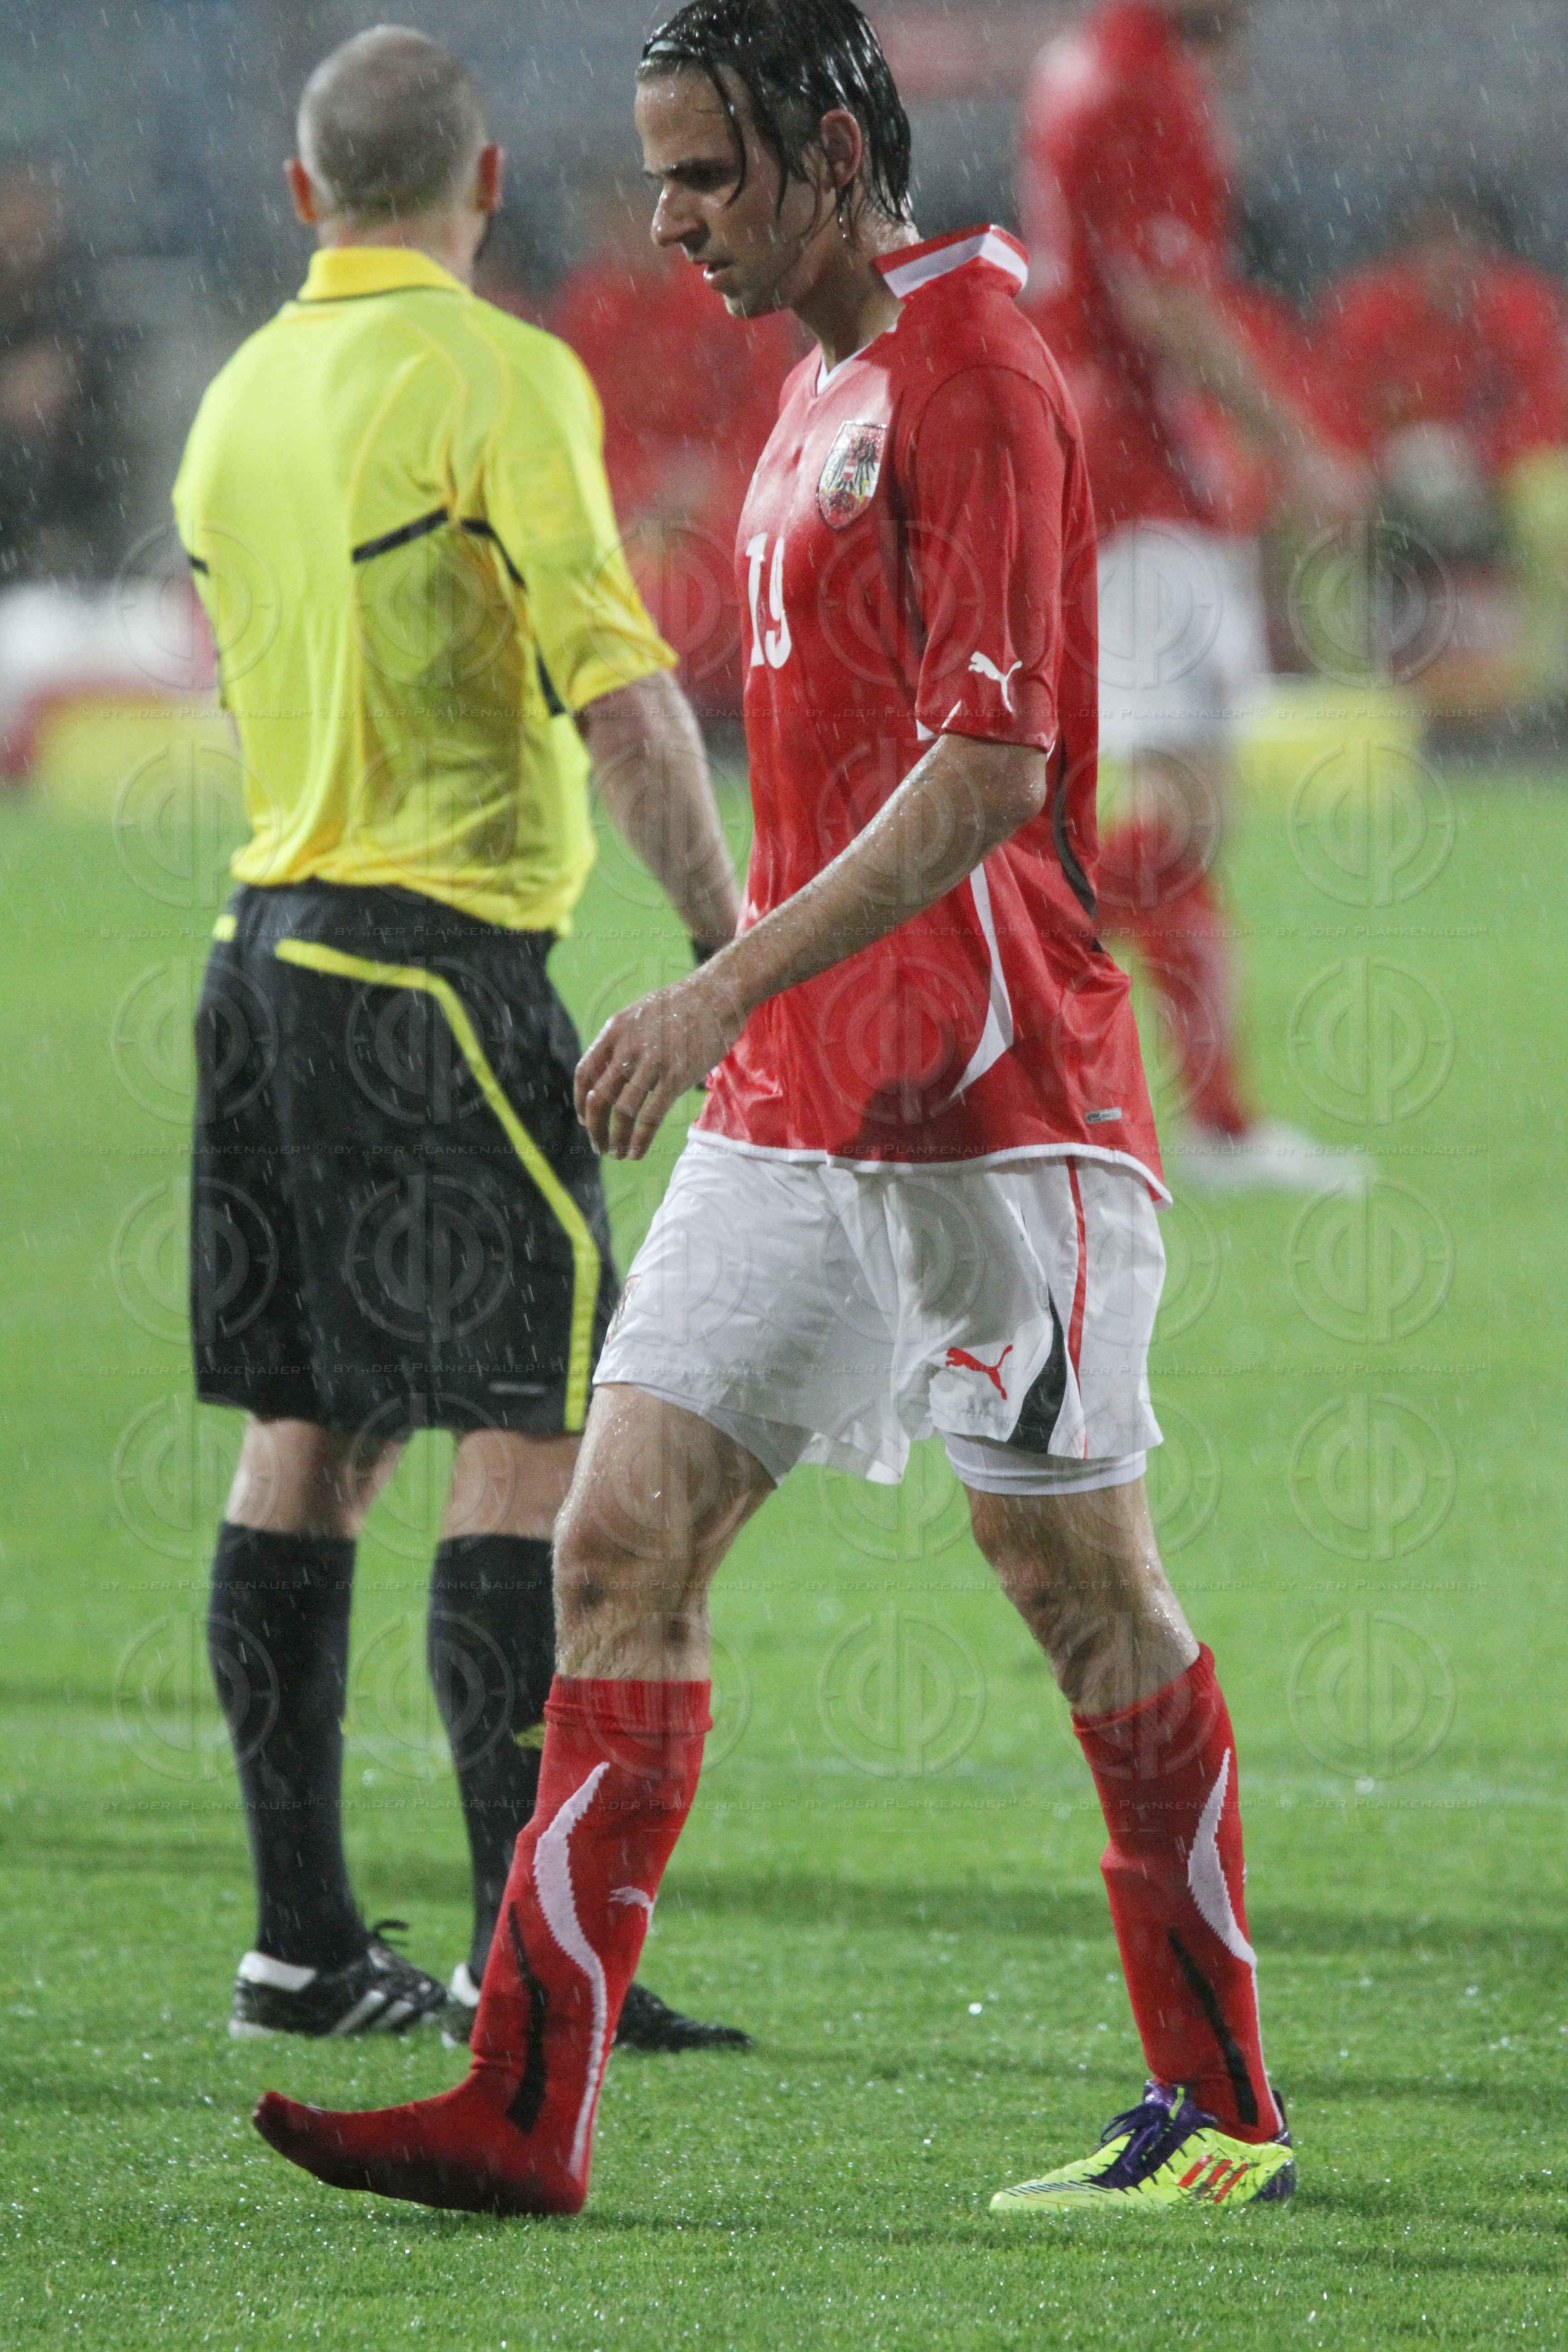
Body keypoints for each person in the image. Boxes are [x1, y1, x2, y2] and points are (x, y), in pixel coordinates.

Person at [250, 0, 1294, 2220]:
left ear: (831, 154)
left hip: (995, 1104)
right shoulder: (817, 380)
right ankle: (530, 2104)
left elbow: (991, 773)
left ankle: (1219, 2113)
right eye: (657, 175)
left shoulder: (975, 369)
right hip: (796, 1100)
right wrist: (749, 1010)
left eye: (706, 174)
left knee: (1078, 1583)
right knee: (613, 1547)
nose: (670, 220)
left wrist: (717, 969)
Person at [172, 26, 748, 2054]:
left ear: (305, 194)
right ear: (484, 183)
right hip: (431, 966)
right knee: (530, 1424)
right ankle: (533, 1957)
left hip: (259, 952)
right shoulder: (497, 377)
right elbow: (622, 690)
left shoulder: (237, 397)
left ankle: (303, 1945)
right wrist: (725, 940)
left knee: (309, 1437)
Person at [1019, 0, 1369, 1193]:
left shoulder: (1081, 64)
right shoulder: (1146, 84)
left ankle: (1201, 1117)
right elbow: (1164, 300)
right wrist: (1300, 445)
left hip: (1113, 455)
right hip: (1138, 466)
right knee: (1178, 814)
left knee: (1185, 819)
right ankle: (974, 999)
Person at [545, 175, 801, 724]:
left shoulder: (732, 295)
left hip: (731, 497)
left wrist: (711, 478)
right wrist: (642, 489)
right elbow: (583, 436)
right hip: (635, 511)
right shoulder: (592, 309)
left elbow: (774, 416)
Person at [1313, 180, 1568, 714]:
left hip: (1495, 480)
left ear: (1488, 253)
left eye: (1463, 246)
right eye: (1434, 245)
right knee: (1321, 514)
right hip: (1387, 482)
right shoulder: (1366, 311)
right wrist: (1380, 464)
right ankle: (1351, 693)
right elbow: (1334, 407)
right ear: (1408, 255)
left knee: (1555, 507)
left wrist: (1479, 456)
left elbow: (1549, 412)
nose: (1450, 262)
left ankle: (1543, 691)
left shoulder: (1526, 308)